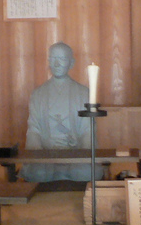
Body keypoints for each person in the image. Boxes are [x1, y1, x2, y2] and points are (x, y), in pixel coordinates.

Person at [22, 42, 95, 182]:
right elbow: (34, 130)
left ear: (71, 63)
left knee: (85, 172)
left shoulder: (84, 93)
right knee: (38, 173)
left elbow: (88, 130)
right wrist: (38, 156)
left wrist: (82, 156)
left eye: (62, 59)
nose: (56, 63)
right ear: (48, 61)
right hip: (46, 155)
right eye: (53, 58)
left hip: (75, 154)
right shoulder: (38, 94)